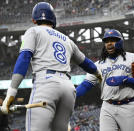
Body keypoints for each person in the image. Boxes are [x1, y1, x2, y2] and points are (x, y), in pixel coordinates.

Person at [1, 2, 101, 131]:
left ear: (33, 19)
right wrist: (99, 75)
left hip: (46, 83)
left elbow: (24, 58)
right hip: (68, 88)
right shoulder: (67, 39)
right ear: (53, 19)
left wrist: (11, 93)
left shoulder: (33, 31)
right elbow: (88, 64)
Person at [76, 29, 134, 131]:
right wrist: (73, 94)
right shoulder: (98, 65)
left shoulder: (133, 58)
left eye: (112, 40)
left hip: (128, 106)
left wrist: (126, 80)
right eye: (106, 41)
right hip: (108, 106)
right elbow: (86, 84)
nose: (109, 44)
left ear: (120, 42)